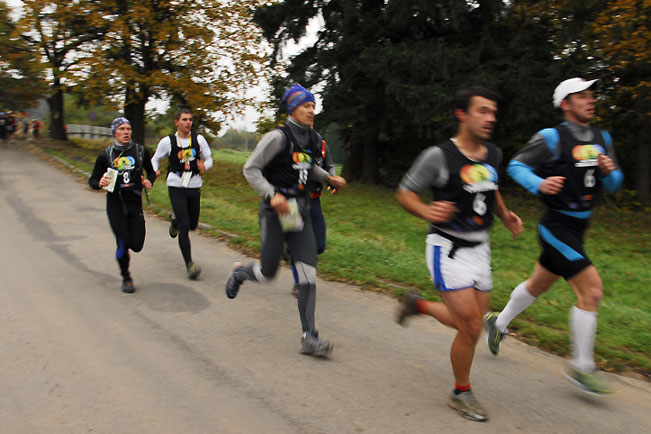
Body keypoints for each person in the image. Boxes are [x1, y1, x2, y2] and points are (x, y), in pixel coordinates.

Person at [484, 78, 623, 395]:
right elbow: (517, 166)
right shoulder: (551, 137)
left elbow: (614, 184)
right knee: (592, 292)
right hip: (556, 226)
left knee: (539, 284)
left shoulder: (603, 137)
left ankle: (498, 323)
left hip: (580, 227)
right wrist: (539, 184)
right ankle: (581, 367)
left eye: (592, 95)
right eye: (583, 96)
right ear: (566, 104)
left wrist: (609, 171)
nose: (591, 100)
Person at [395, 86, 522, 422]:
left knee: (473, 325)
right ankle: (460, 392)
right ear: (462, 114)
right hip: (446, 249)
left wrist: (505, 214)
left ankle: (417, 305)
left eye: (493, 112)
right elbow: (405, 193)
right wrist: (426, 211)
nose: (491, 118)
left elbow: (491, 186)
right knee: (469, 328)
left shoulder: (493, 153)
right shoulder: (438, 156)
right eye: (482, 111)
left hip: (481, 248)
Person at [224, 83, 346, 357]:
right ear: (293, 108)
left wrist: (328, 178)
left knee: (307, 274)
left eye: (314, 106)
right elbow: (251, 169)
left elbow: (308, 165)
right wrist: (271, 195)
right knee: (268, 273)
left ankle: (309, 337)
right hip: (275, 211)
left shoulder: (313, 139)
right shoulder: (278, 138)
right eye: (306, 106)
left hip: (296, 211)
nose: (312, 111)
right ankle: (240, 273)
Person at [88, 117, 156, 293]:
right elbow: (92, 180)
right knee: (124, 241)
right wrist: (100, 182)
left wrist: (149, 182)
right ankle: (126, 276)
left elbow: (151, 172)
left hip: (134, 202)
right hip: (115, 203)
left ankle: (123, 245)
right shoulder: (106, 155)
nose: (126, 132)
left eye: (128, 128)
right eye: (122, 129)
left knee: (137, 245)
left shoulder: (140, 151)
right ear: (114, 133)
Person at [151, 107, 213, 279]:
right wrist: (154, 171)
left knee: (192, 224)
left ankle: (175, 222)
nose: (188, 123)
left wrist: (204, 166)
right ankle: (190, 265)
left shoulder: (199, 140)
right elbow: (155, 158)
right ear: (176, 122)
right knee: (186, 227)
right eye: (184, 120)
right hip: (176, 184)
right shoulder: (168, 142)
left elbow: (209, 158)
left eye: (190, 120)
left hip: (194, 184)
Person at [288, 138, 337, 298]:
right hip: (292, 200)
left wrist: (332, 179)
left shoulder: (322, 144)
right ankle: (299, 283)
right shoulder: (289, 142)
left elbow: (329, 165)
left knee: (319, 245)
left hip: (314, 200)